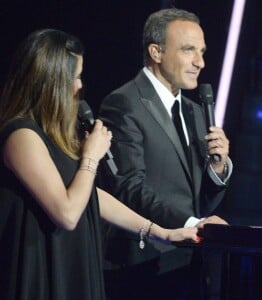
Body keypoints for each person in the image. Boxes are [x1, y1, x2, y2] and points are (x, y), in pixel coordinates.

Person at [0, 28, 201, 300]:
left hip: (72, 263)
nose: (80, 86)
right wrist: (91, 157)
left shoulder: (55, 136)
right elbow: (67, 212)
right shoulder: (21, 136)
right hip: (41, 269)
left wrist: (161, 233)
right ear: (52, 81)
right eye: (75, 77)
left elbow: (91, 198)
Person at [98, 8, 232, 300]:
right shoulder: (124, 103)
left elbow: (200, 199)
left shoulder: (196, 112)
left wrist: (217, 169)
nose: (200, 62)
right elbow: (129, 187)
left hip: (190, 262)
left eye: (202, 51)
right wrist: (189, 225)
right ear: (156, 52)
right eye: (188, 50)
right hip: (142, 265)